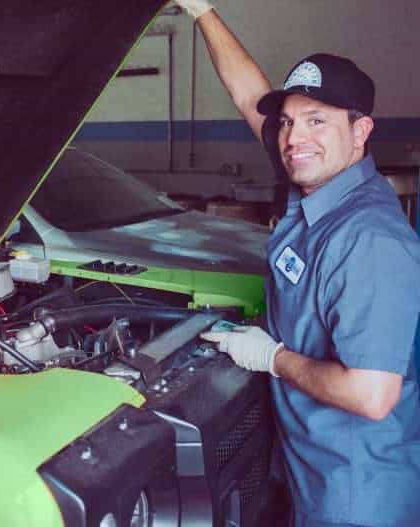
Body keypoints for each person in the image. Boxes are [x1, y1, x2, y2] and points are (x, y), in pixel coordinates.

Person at [173, 1, 420, 526]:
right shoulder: (321, 184)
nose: (293, 138)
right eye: (287, 121)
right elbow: (249, 97)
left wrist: (272, 357)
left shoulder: (369, 241)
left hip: (356, 494)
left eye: (316, 120)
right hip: (311, 472)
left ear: (361, 131)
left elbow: (372, 395)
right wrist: (201, 11)